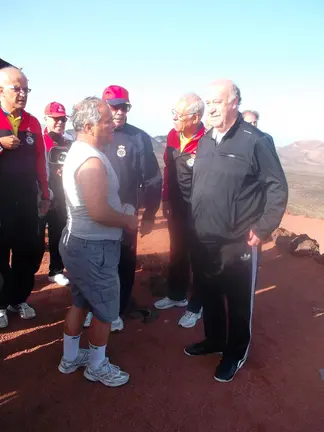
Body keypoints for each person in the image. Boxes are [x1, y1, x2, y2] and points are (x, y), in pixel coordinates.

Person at [185, 79, 288, 382]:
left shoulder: (255, 140)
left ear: (234, 103)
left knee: (238, 300)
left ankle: (235, 352)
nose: (211, 107)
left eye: (217, 101)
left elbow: (277, 187)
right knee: (210, 294)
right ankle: (214, 340)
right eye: (209, 101)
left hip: (238, 239)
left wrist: (264, 227)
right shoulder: (205, 140)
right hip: (205, 237)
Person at [58, 96, 138, 387]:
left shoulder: (80, 152)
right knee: (105, 311)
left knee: (80, 302)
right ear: (90, 126)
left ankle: (70, 358)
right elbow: (99, 212)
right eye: (106, 121)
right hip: (94, 248)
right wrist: (128, 219)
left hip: (80, 243)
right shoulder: (91, 160)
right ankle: (96, 366)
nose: (112, 127)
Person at [84, 85, 162, 330]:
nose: (118, 112)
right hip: (95, 212)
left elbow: (152, 178)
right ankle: (93, 308)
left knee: (124, 263)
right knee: (96, 262)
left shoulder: (138, 138)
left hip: (125, 214)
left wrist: (149, 215)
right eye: (113, 106)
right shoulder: (93, 135)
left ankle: (117, 310)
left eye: (123, 107)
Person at [0, 67, 51, 329]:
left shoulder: (32, 122)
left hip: (27, 199)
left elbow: (41, 160)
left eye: (25, 89)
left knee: (30, 250)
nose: (22, 94)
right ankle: (0, 302)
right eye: (16, 89)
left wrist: (45, 191)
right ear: (0, 90)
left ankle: (18, 298)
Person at [154, 93, 204, 328]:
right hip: (177, 204)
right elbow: (168, 170)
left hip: (200, 209)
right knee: (177, 251)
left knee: (199, 257)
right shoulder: (174, 136)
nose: (174, 118)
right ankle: (176, 295)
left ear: (195, 117)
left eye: (179, 115)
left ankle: (196, 305)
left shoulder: (209, 140)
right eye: (173, 113)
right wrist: (166, 199)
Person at [36, 102, 72, 286]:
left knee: (59, 234)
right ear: (46, 119)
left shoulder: (68, 142)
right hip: (41, 197)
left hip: (61, 196)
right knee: (36, 237)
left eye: (63, 119)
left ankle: (56, 270)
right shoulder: (38, 139)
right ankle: (30, 272)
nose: (60, 122)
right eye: (56, 119)